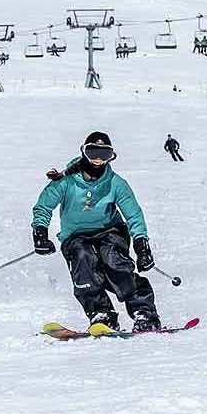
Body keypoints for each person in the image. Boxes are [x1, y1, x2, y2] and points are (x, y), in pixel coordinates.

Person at [32, 131, 161, 332]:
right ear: (84, 152)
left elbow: (133, 214)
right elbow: (44, 206)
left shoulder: (116, 183)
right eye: (93, 152)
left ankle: (144, 313)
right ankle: (101, 314)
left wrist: (141, 245)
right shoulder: (66, 181)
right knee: (82, 259)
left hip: (109, 231)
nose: (98, 159)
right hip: (75, 235)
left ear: (112, 156)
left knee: (113, 262)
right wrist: (40, 233)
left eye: (104, 153)